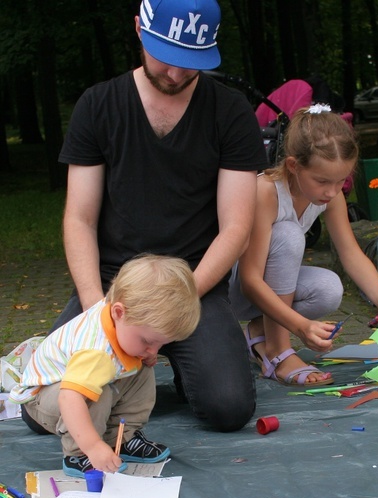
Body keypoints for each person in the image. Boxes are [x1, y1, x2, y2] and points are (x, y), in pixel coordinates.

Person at [54, 0, 269, 432]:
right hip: (114, 286)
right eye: (166, 59)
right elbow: (79, 219)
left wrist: (176, 302)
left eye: (190, 64)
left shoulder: (230, 112)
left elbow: (236, 229)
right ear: (138, 29)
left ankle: (157, 374)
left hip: (194, 283)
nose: (175, 74)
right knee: (48, 409)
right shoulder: (98, 105)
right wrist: (98, 309)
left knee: (228, 409)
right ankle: (131, 373)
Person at [229, 105, 378, 386]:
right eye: (323, 181)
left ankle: (259, 333)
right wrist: (299, 326)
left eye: (341, 181)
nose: (331, 191)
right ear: (293, 165)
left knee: (329, 289)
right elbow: (250, 281)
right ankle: (278, 352)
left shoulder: (330, 195)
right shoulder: (265, 192)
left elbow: (350, 252)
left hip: (262, 289)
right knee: (289, 235)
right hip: (232, 292)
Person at [10, 255, 201, 478]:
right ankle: (78, 454)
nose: (153, 350)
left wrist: (145, 351)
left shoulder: (123, 317)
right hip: (43, 399)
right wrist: (92, 446)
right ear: (119, 313)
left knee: (141, 371)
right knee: (94, 393)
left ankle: (121, 438)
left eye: (161, 344)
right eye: (148, 341)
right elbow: (70, 398)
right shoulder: (94, 350)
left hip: (73, 387)